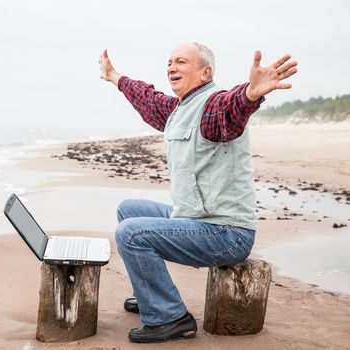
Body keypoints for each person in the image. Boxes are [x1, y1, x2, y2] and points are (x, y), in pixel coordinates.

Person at [99, 42, 297, 343]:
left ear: (205, 72)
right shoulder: (180, 109)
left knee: (131, 233)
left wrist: (250, 94)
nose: (171, 67)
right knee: (129, 209)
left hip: (226, 233)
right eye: (169, 62)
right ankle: (150, 294)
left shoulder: (213, 106)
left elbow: (230, 109)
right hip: (195, 219)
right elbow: (148, 99)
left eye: (181, 61)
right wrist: (115, 77)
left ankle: (170, 317)